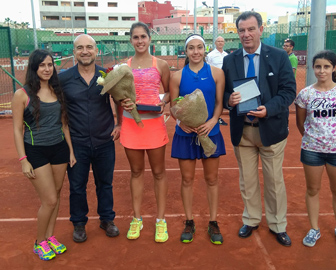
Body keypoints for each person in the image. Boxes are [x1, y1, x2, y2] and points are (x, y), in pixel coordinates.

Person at [222, 11, 296, 246]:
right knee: (248, 180)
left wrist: (269, 109)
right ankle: (252, 219)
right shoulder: (229, 60)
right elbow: (223, 93)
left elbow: (288, 91)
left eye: (251, 29)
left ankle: (277, 224)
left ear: (261, 30)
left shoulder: (279, 56)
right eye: (242, 30)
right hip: (242, 130)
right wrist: (229, 101)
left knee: (274, 180)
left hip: (270, 128)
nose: (246, 34)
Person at [11, 49, 76, 260]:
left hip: (59, 149)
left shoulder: (57, 90)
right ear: (34, 68)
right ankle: (39, 242)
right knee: (48, 199)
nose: (47, 69)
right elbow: (17, 129)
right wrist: (23, 160)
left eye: (50, 65)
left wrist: (71, 152)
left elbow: (64, 123)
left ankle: (50, 237)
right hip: (35, 151)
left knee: (55, 196)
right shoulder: (22, 95)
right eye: (42, 65)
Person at [59, 34, 121, 243]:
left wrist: (119, 123)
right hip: (77, 143)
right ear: (74, 52)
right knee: (77, 186)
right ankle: (78, 223)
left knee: (105, 183)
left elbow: (119, 99)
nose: (84, 51)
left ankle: (107, 219)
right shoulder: (64, 78)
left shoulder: (107, 74)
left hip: (104, 140)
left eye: (89, 47)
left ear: (96, 51)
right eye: (79, 48)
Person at [294, 50, 336, 248]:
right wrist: (314, 138)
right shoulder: (305, 94)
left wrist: (335, 137)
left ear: (334, 68)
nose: (322, 71)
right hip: (312, 149)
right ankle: (314, 228)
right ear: (313, 68)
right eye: (318, 67)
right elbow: (300, 123)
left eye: (326, 67)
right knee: (313, 190)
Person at [170, 34, 226, 245]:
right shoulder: (176, 77)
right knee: (187, 180)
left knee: (212, 179)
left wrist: (213, 121)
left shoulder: (217, 73)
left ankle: (213, 221)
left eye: (199, 47)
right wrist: (180, 123)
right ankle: (189, 221)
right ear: (186, 52)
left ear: (205, 50)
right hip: (185, 135)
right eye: (191, 48)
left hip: (210, 133)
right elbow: (173, 107)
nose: (196, 52)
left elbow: (220, 102)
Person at [119, 22, 171, 243]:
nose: (140, 41)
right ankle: (137, 218)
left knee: (159, 173)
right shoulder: (124, 67)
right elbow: (117, 96)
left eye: (143, 36)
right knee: (136, 172)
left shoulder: (161, 64)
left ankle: (160, 221)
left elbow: (169, 92)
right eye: (135, 37)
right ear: (131, 40)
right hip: (131, 125)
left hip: (154, 125)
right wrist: (122, 103)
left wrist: (163, 103)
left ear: (150, 39)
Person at [206, 36, 229, 126]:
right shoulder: (210, 55)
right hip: (214, 80)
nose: (220, 43)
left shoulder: (226, 55)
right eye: (218, 41)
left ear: (224, 43)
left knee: (223, 97)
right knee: (215, 99)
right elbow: (207, 68)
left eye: (222, 41)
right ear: (215, 43)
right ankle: (216, 118)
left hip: (225, 80)